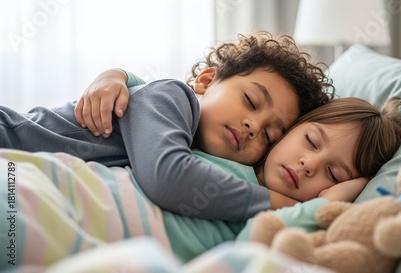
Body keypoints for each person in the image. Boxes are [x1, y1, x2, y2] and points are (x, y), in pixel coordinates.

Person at [0, 31, 332, 222]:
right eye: (250, 101)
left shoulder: (188, 136)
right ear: (206, 81)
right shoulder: (175, 96)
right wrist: (294, 205)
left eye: (270, 135)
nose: (252, 126)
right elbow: (168, 177)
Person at [78, 84, 401, 261]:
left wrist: (325, 206)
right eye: (310, 141)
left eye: (334, 174)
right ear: (291, 129)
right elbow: (157, 102)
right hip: (86, 189)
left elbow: (249, 250)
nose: (309, 164)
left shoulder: (291, 220)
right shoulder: (224, 148)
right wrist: (119, 75)